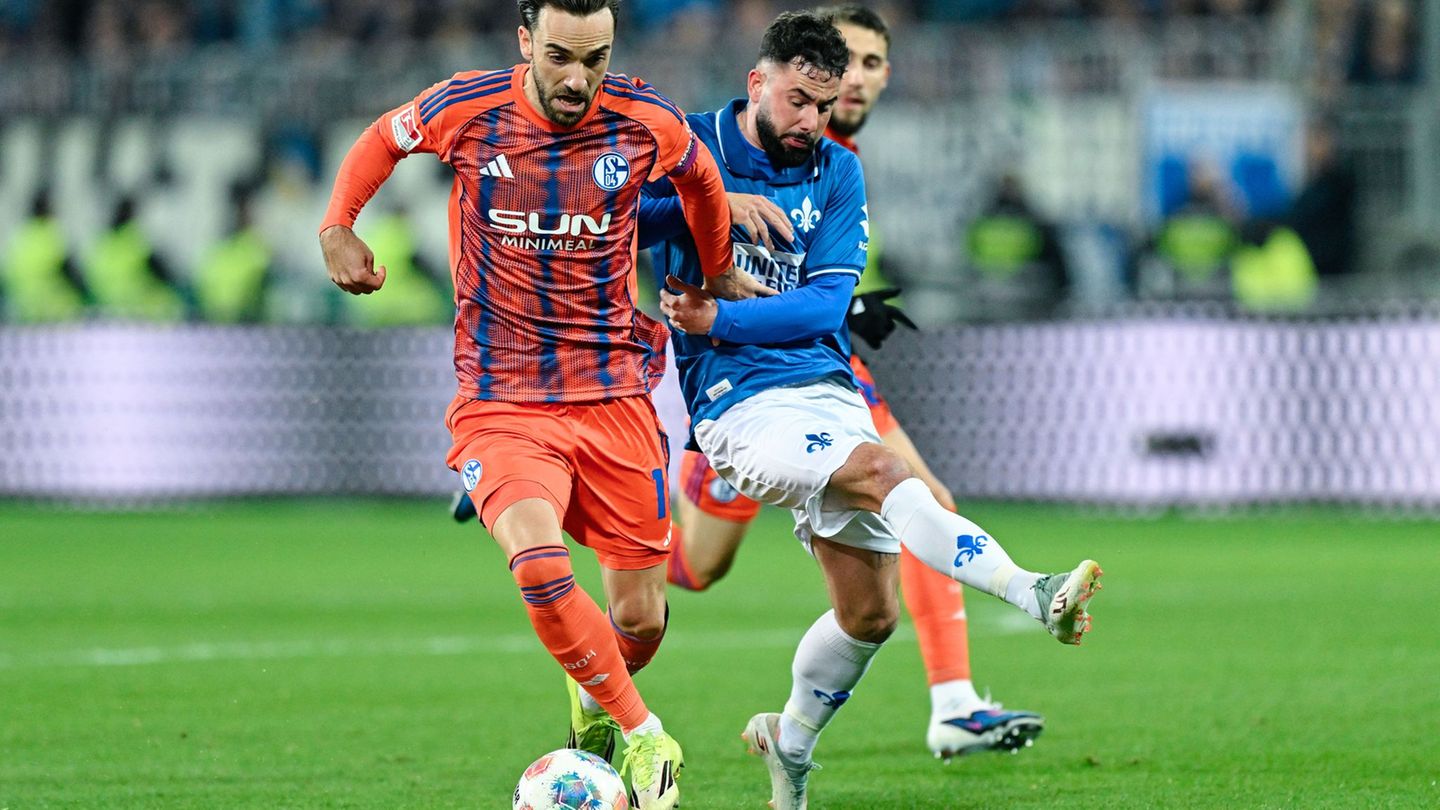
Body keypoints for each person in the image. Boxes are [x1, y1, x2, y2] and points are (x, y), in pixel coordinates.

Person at [648, 12, 1104, 809]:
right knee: (886, 475)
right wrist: (712, 202)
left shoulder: (838, 170)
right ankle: (1033, 593)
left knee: (867, 614)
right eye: (796, 101)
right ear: (758, 82)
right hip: (738, 401)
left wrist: (719, 313)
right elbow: (621, 215)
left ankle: (789, 743)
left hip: (824, 386)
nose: (810, 123)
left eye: (824, 107)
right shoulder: (692, 145)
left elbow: (825, 307)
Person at [317, 2, 756, 806]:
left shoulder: (643, 119)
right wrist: (338, 226)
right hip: (502, 398)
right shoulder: (467, 107)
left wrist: (719, 268)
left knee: (642, 621)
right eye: (560, 56)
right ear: (525, 42)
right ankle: (641, 731)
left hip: (615, 400)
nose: (577, 78)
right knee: (540, 564)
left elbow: (698, 175)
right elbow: (383, 138)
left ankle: (593, 709)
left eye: (595, 58)